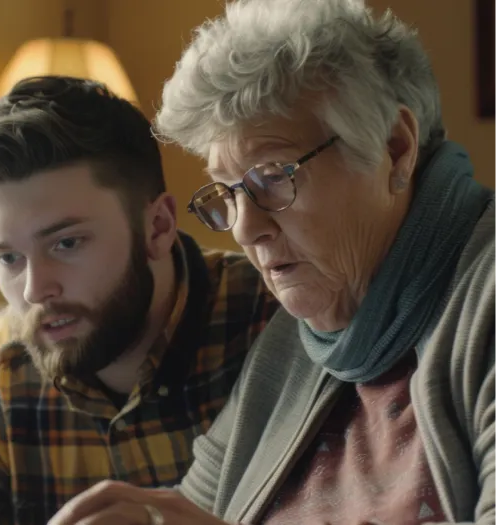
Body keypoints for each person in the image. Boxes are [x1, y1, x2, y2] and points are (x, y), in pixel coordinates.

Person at [47, 0, 496, 524]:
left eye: (274, 176)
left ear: (394, 149)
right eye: (227, 192)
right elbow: (193, 511)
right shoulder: (295, 344)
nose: (244, 228)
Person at [0, 75, 278, 524]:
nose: (36, 290)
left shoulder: (274, 325)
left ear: (157, 227)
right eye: (8, 257)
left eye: (67, 244)